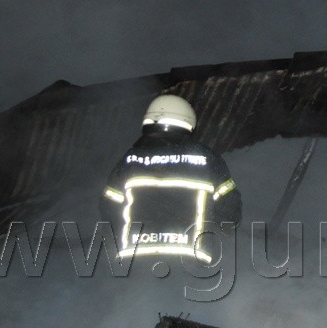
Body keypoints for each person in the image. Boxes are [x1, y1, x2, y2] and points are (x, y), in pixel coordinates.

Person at [102, 94, 241, 264]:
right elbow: (230, 206)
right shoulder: (206, 158)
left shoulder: (129, 160)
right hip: (191, 259)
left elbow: (108, 207)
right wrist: (226, 228)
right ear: (188, 124)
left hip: (134, 261)